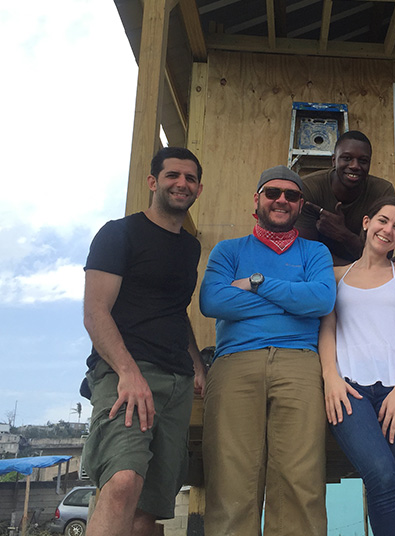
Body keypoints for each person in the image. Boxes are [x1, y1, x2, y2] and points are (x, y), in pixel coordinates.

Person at [199, 165, 336, 536]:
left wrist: (257, 284)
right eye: (273, 193)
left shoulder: (315, 252)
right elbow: (212, 300)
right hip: (234, 364)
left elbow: (323, 299)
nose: (281, 200)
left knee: (300, 479)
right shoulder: (228, 251)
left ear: (301, 204)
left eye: (291, 195)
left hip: (301, 363)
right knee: (231, 481)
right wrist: (293, 302)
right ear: (257, 199)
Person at [81, 147, 206, 536]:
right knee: (121, 483)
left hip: (177, 383)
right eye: (172, 175)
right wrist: (127, 372)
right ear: (153, 182)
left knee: (148, 509)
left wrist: (198, 367)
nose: (181, 183)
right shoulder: (120, 233)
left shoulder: (189, 247)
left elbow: (175, 310)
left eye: (189, 178)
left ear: (198, 189)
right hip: (126, 377)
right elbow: (95, 312)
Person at [320, 196, 395, 535]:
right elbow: (327, 331)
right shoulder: (335, 275)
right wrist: (330, 378)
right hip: (349, 391)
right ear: (366, 223)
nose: (388, 230)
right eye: (383, 220)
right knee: (382, 475)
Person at [296, 130, 395, 265]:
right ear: (334, 161)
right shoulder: (309, 188)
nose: (355, 166)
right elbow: (306, 255)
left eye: (363, 160)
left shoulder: (382, 192)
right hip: (319, 273)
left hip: (367, 276)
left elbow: (383, 256)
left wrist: (343, 234)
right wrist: (354, 269)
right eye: (347, 158)